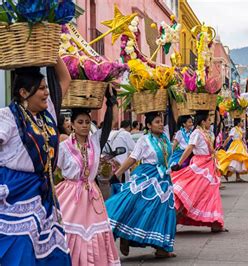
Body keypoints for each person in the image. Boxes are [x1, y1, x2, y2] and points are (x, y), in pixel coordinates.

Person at [0, 63, 72, 264]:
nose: (47, 93)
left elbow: (65, 80)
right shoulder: (7, 116)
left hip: (43, 192)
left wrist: (55, 42)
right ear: (24, 92)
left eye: (46, 88)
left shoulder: (46, 113)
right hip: (16, 192)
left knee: (51, 250)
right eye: (41, 89)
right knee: (21, 246)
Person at [56, 105, 120, 265]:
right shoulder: (64, 147)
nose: (84, 125)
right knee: (68, 231)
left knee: (95, 231)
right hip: (70, 196)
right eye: (80, 122)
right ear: (72, 124)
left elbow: (108, 124)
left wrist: (111, 102)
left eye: (87, 122)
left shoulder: (95, 142)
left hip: (92, 194)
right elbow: (54, 170)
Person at [106, 112, 176, 258]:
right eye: (157, 122)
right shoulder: (144, 140)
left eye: (161, 121)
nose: (160, 124)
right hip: (146, 177)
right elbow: (133, 158)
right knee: (137, 206)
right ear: (149, 126)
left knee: (163, 209)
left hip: (163, 179)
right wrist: (117, 174)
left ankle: (161, 246)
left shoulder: (165, 139)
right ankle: (125, 235)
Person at [171, 111, 227, 232]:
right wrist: (179, 163)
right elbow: (189, 148)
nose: (210, 122)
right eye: (208, 120)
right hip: (200, 166)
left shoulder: (206, 132)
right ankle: (171, 219)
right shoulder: (196, 133)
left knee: (211, 192)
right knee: (192, 192)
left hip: (209, 165)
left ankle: (215, 222)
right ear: (203, 121)